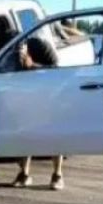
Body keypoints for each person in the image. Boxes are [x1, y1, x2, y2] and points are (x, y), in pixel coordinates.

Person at [10, 36, 66, 191]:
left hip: (48, 94)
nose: (18, 50)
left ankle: (57, 175)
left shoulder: (40, 44)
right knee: (26, 134)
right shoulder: (7, 52)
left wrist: (32, 65)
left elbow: (56, 69)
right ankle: (24, 174)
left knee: (54, 134)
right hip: (26, 95)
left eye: (20, 47)